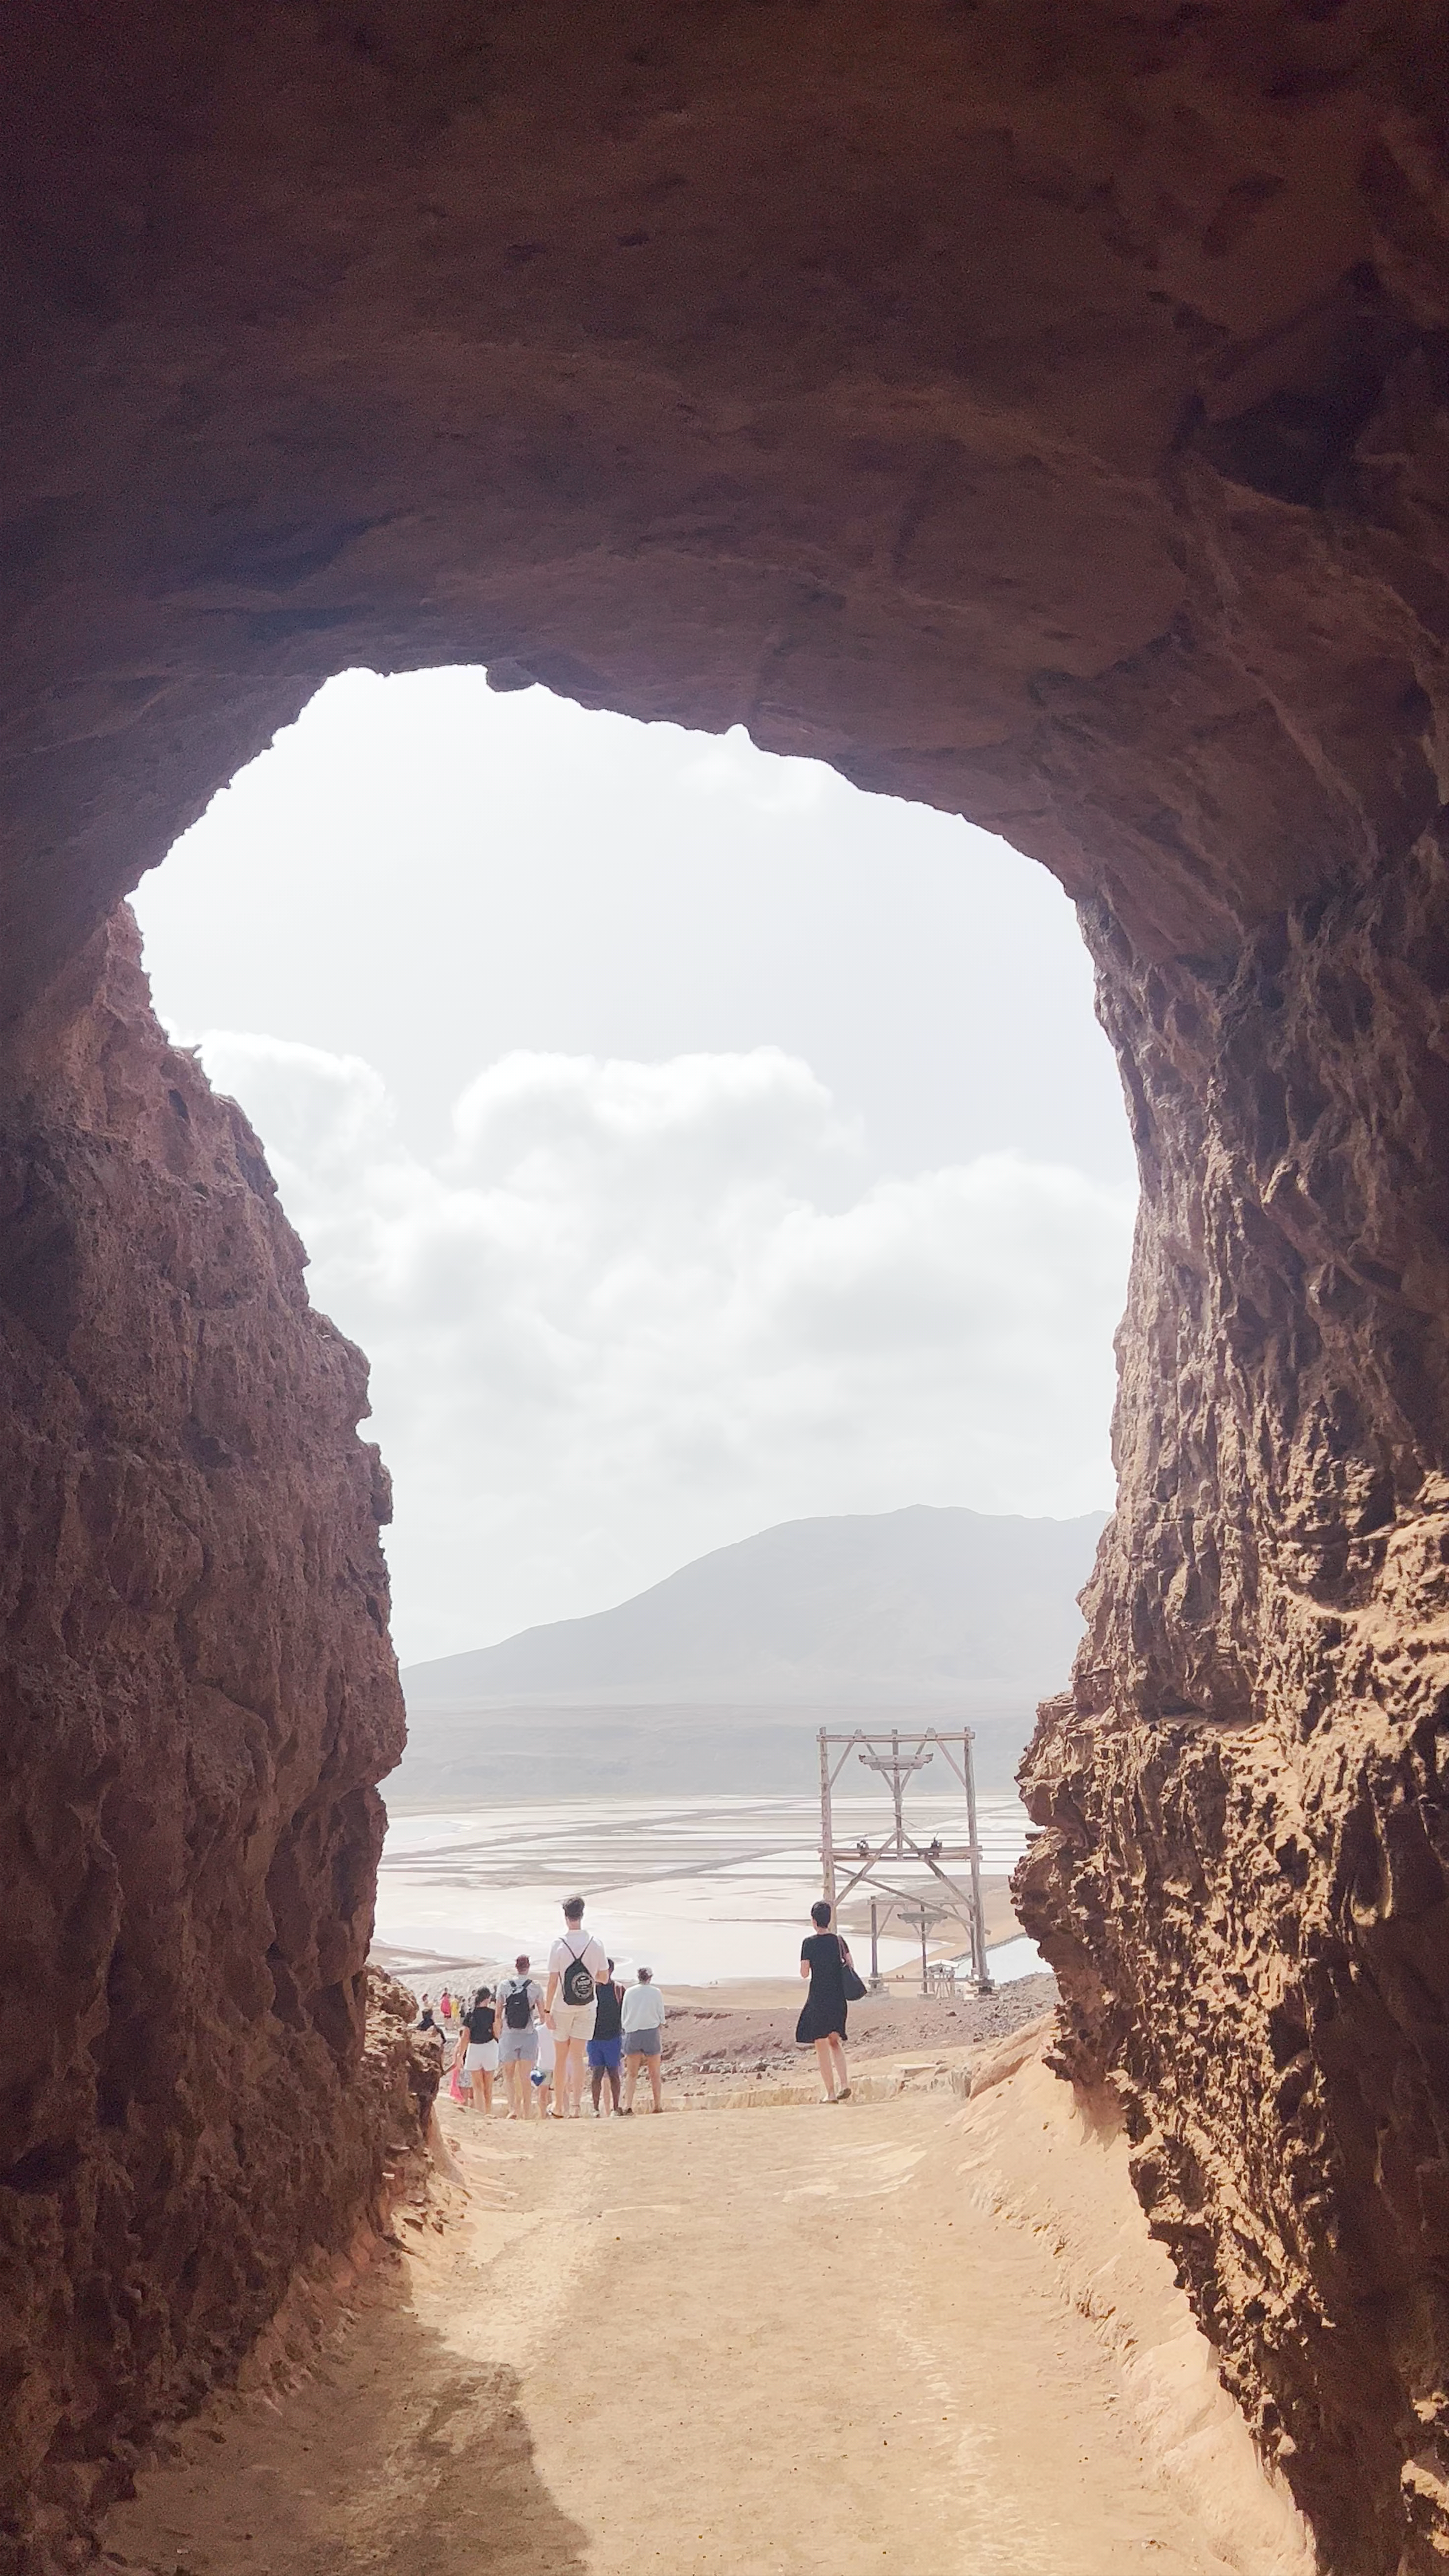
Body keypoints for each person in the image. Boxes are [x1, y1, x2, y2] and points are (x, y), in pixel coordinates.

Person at [545, 1896, 608, 2121]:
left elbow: (553, 1981)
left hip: (562, 2007)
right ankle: (576, 2107)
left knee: (561, 2059)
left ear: (566, 1917)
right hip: (587, 2006)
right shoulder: (596, 1943)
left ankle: (559, 2106)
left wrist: (547, 2011)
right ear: (582, 1915)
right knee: (577, 2058)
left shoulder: (559, 1945)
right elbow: (604, 1977)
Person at [797, 1897, 853, 2101]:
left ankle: (830, 2093)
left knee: (821, 2046)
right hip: (838, 1998)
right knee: (835, 2042)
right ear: (829, 1920)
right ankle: (845, 2084)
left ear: (814, 1921)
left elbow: (804, 1973)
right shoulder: (839, 1941)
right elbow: (850, 1965)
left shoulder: (809, 1944)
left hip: (819, 1998)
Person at [497, 1954, 545, 2119]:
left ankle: (513, 2109)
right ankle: (527, 2112)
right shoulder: (535, 1987)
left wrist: (499, 2034)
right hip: (528, 2035)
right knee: (526, 2077)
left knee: (509, 2076)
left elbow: (498, 2015)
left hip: (509, 2035)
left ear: (516, 1966)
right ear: (529, 1967)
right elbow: (543, 2015)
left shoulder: (504, 1986)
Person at [620, 1966, 666, 2114]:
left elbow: (624, 2014)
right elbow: (661, 2016)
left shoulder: (630, 1992)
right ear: (650, 1978)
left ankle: (628, 2106)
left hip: (633, 2032)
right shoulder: (656, 1993)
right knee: (655, 2073)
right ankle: (658, 2106)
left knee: (632, 2074)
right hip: (651, 2033)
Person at [587, 1958, 625, 2116]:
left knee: (614, 2073)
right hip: (594, 2038)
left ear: (611, 1970)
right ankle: (595, 2109)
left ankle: (616, 2109)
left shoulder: (619, 1989)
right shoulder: (591, 1990)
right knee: (597, 2074)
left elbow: (624, 2013)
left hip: (613, 2038)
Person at [461, 1985, 498, 2113]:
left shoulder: (470, 2014)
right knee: (488, 2085)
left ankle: (480, 2112)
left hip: (474, 2049)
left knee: (477, 2086)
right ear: (488, 1999)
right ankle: (488, 2112)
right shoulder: (492, 2014)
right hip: (489, 2048)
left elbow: (465, 2037)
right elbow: (497, 2033)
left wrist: (460, 2055)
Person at [531, 2018, 557, 2118]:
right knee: (561, 2092)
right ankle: (560, 2113)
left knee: (543, 2093)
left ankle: (543, 2116)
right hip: (558, 2065)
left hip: (543, 2064)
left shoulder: (539, 2031)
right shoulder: (560, 2029)